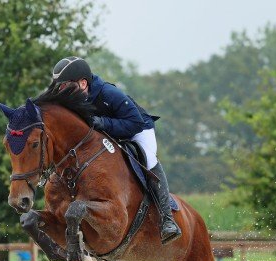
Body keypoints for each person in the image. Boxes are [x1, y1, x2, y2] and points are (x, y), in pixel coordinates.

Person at [50, 56, 181, 243]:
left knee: (149, 160)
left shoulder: (109, 93)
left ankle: (167, 220)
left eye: (66, 87)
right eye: (60, 88)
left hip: (138, 129)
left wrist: (102, 123)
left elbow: (134, 122)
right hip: (107, 133)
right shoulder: (75, 97)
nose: (63, 93)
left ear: (83, 83)